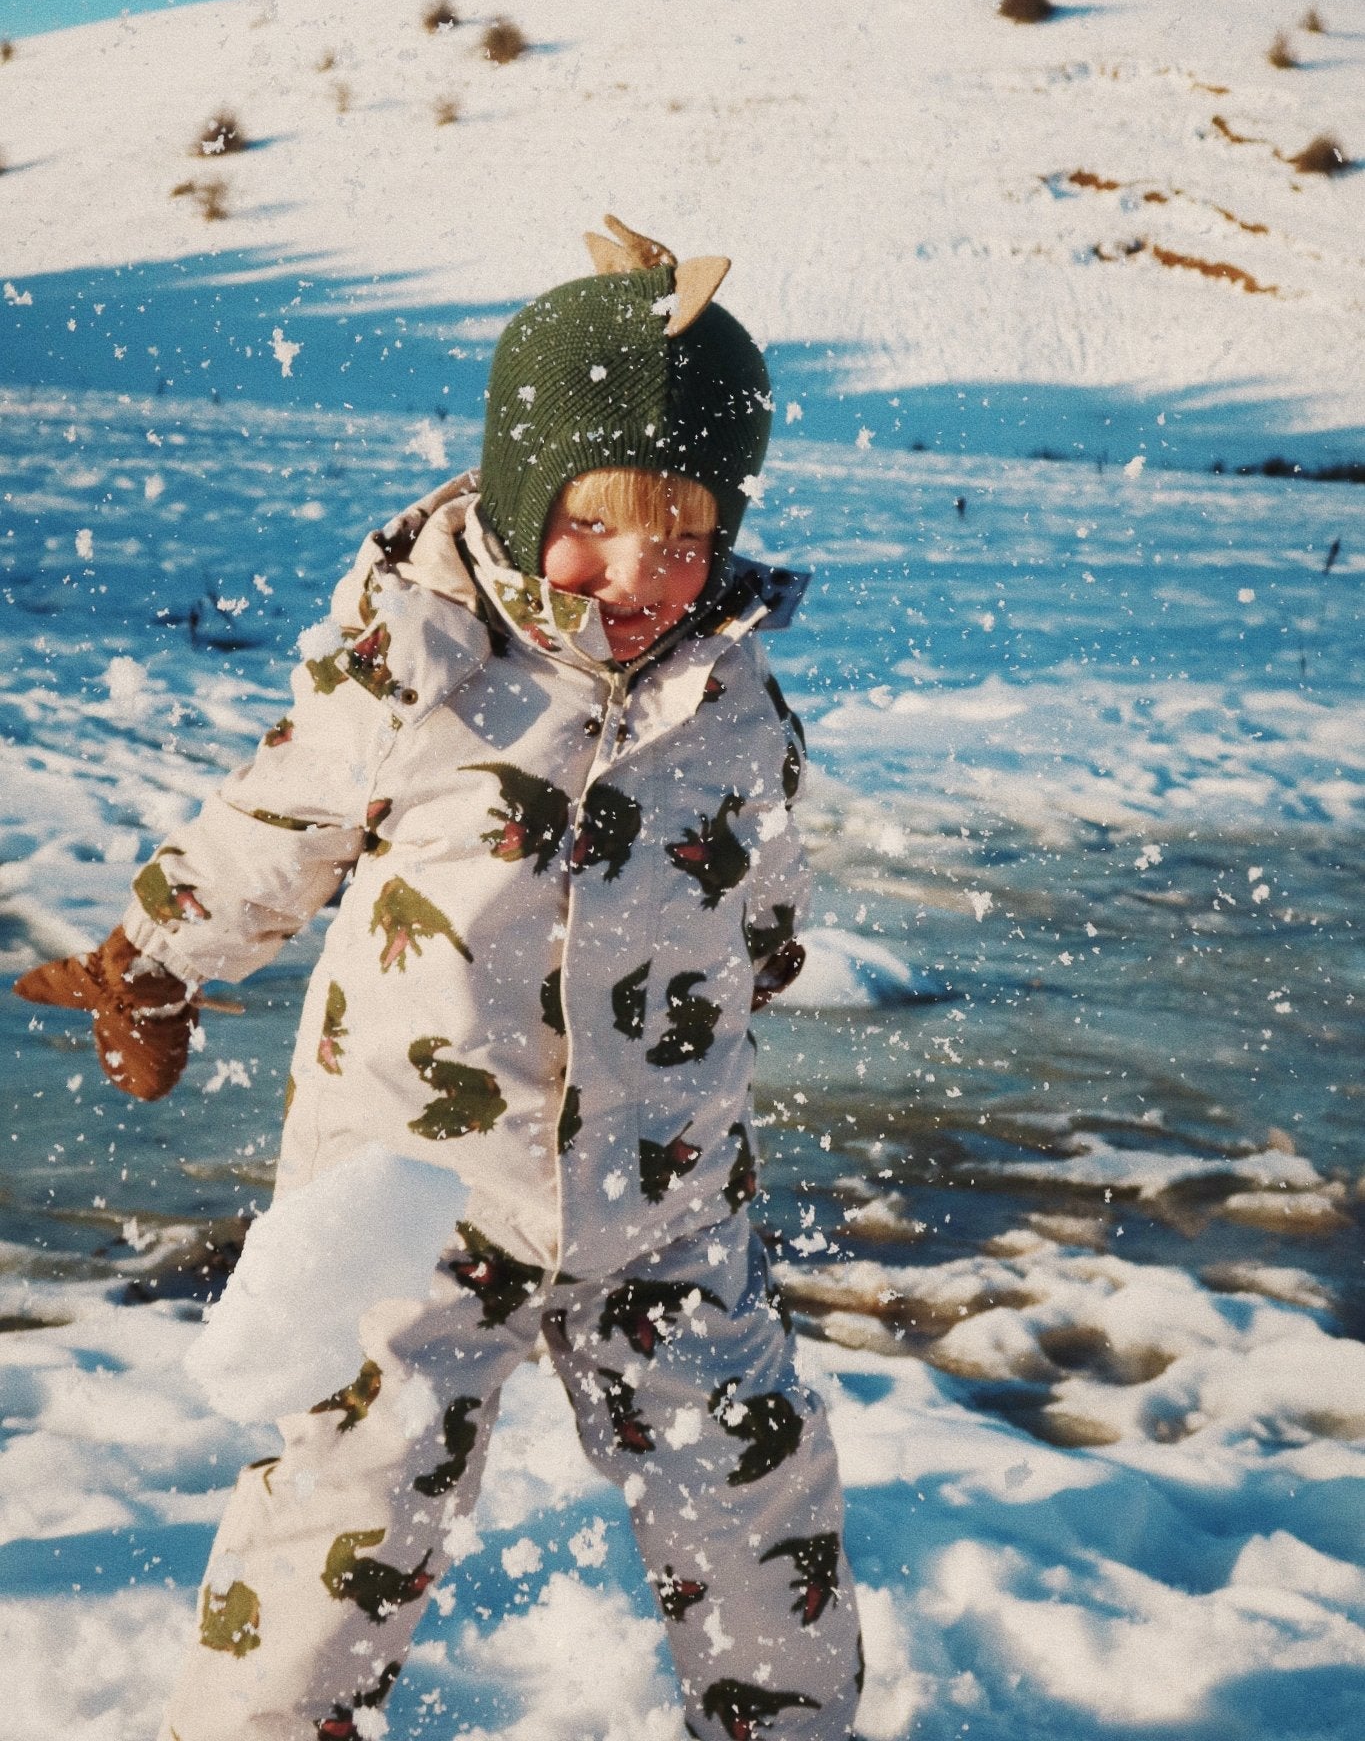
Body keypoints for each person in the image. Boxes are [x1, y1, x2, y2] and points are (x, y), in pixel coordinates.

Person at [15, 217, 864, 1741]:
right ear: (525, 489)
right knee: (349, 1494)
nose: (643, 573)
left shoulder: (734, 691)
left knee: (752, 1478)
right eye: (596, 528)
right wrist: (155, 961)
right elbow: (277, 823)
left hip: (664, 1181)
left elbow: (760, 879)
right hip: (411, 1178)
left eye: (687, 536)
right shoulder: (421, 660)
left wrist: (754, 961)